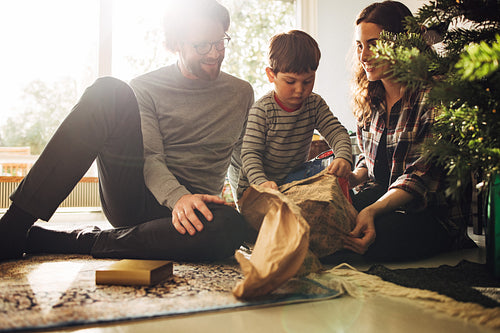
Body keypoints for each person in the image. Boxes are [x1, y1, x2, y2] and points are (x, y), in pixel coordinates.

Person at [0, 0, 254, 262]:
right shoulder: (146, 87)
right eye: (202, 45)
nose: (214, 54)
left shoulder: (241, 93)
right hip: (138, 198)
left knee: (231, 227)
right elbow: (152, 159)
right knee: (109, 92)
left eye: (220, 42)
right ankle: (12, 228)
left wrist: (256, 210)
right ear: (176, 44)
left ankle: (67, 240)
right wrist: (178, 197)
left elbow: (241, 163)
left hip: (195, 212)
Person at [343, 0, 474, 261]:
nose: (363, 56)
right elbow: (368, 161)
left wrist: (371, 210)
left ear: (404, 45)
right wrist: (353, 177)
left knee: (381, 234)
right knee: (334, 219)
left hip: (431, 215)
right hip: (382, 201)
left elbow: (420, 176)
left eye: (373, 44)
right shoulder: (370, 97)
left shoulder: (434, 95)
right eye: (360, 45)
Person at [237, 30, 352, 200]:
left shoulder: (314, 104)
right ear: (271, 75)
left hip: (293, 184)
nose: (300, 89)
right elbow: (250, 154)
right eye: (290, 81)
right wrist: (262, 182)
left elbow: (337, 133)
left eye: (308, 81)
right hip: (255, 190)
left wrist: (343, 156)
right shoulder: (262, 110)